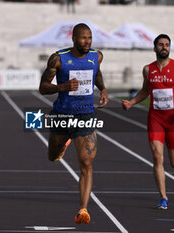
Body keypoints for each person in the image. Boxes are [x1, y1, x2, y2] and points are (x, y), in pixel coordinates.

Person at [39, 23, 108, 224]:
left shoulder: (97, 56)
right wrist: (63, 86)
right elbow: (43, 88)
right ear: (73, 39)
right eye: (83, 38)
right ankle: (62, 145)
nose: (87, 42)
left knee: (86, 162)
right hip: (62, 115)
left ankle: (83, 209)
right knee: (52, 156)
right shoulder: (59, 59)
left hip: (86, 115)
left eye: (89, 38)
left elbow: (97, 74)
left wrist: (103, 89)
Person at [122, 34, 174, 209]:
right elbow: (145, 91)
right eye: (161, 45)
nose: (164, 47)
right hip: (155, 119)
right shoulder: (148, 69)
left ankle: (165, 191)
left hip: (173, 120)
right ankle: (163, 197)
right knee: (157, 156)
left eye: (167, 45)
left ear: (169, 48)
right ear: (155, 48)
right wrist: (131, 102)